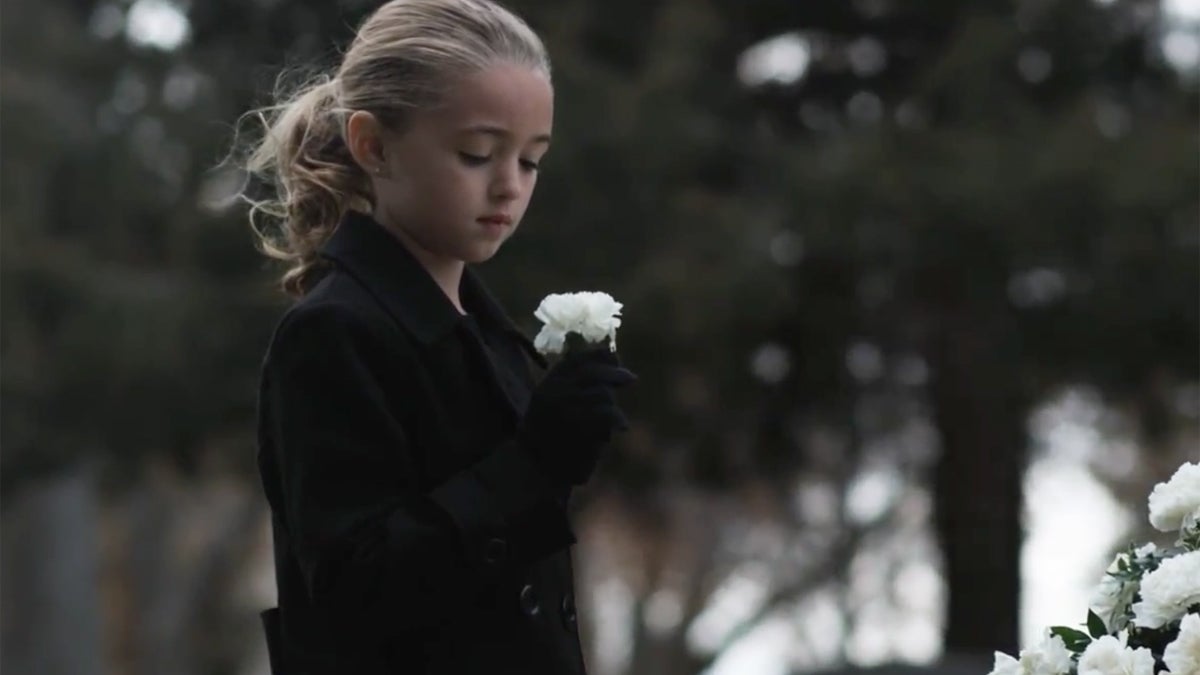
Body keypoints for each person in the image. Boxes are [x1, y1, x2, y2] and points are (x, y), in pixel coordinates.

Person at [235, 1, 636, 672]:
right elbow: (351, 591)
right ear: (373, 145)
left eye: (532, 161)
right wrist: (533, 462)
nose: (508, 185)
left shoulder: (486, 331)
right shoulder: (335, 332)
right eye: (476, 153)